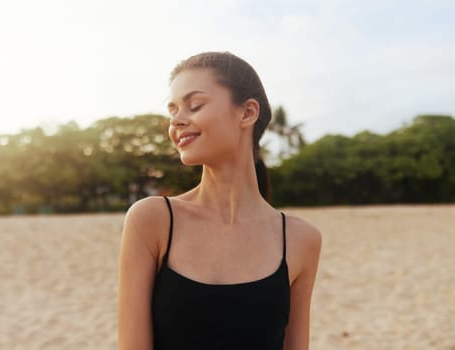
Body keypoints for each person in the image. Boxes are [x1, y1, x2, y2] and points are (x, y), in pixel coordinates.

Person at [118, 51, 322, 350]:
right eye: (172, 111)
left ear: (247, 113)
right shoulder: (153, 220)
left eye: (194, 105)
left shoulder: (301, 239)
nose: (176, 122)